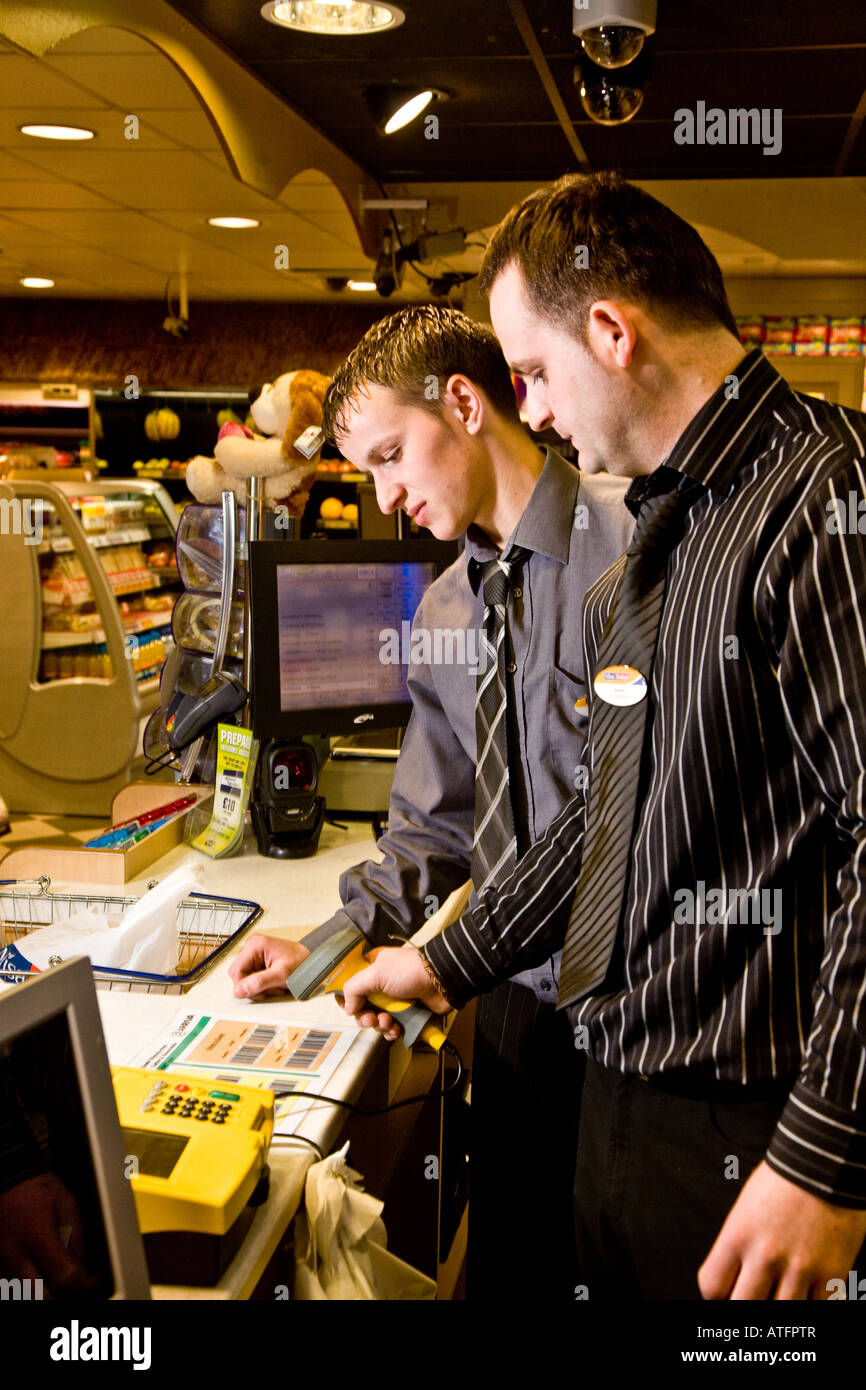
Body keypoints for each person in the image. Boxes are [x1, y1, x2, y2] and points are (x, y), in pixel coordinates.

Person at [337, 172, 866, 1301]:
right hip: (624, 1094)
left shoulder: (826, 492)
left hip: (752, 1121)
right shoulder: (665, 530)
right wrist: (440, 960)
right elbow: (600, 814)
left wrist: (826, 1151)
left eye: (530, 371)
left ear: (612, 332)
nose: (527, 409)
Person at [229, 304, 633, 1299]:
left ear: (461, 403)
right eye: (363, 470)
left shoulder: (632, 554)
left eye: (389, 455)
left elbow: (631, 810)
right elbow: (432, 823)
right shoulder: (448, 603)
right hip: (504, 1010)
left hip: (635, 1017)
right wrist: (328, 941)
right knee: (509, 1272)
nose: (383, 494)